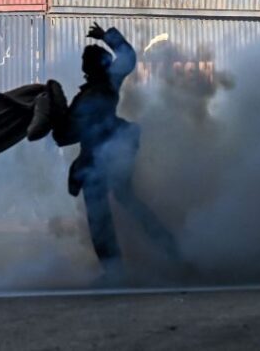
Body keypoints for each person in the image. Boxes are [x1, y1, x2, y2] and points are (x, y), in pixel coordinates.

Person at [55, 23, 178, 275]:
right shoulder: (90, 94)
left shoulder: (105, 85)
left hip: (107, 155)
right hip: (99, 157)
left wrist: (106, 36)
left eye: (88, 62)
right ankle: (157, 254)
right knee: (113, 210)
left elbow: (128, 57)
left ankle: (161, 254)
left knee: (106, 213)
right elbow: (66, 135)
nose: (85, 66)